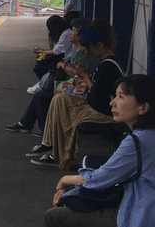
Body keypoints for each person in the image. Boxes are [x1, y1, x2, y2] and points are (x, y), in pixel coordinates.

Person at [13, 74, 155, 227]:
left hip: (144, 214)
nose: (113, 102)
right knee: (71, 210)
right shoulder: (147, 136)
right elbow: (113, 172)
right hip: (143, 205)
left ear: (143, 107)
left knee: (55, 218)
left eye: (121, 97)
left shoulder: (138, 142)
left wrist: (66, 180)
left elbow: (101, 179)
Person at [28, 18, 121, 168]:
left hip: (106, 113)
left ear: (99, 45)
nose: (87, 51)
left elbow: (97, 99)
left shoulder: (108, 67)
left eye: (88, 48)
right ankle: (51, 144)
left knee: (65, 108)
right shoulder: (106, 63)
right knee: (59, 99)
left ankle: (61, 156)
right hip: (101, 106)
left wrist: (84, 77)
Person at [6, 17, 94, 134]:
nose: (70, 33)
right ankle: (26, 124)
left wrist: (64, 66)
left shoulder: (83, 53)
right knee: (41, 92)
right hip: (74, 84)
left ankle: (44, 129)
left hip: (78, 87)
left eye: (73, 31)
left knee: (41, 95)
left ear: (80, 36)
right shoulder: (80, 51)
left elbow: (79, 74)